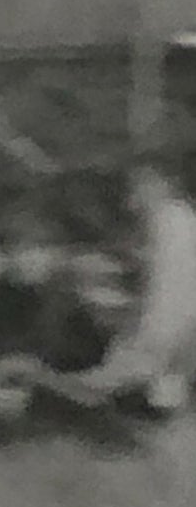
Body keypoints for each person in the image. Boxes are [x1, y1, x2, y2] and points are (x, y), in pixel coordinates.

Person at [84, 154, 196, 410]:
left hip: (161, 333)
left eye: (139, 187)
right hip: (172, 332)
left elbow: (164, 289)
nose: (132, 197)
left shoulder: (169, 220)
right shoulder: (179, 218)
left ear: (161, 184)